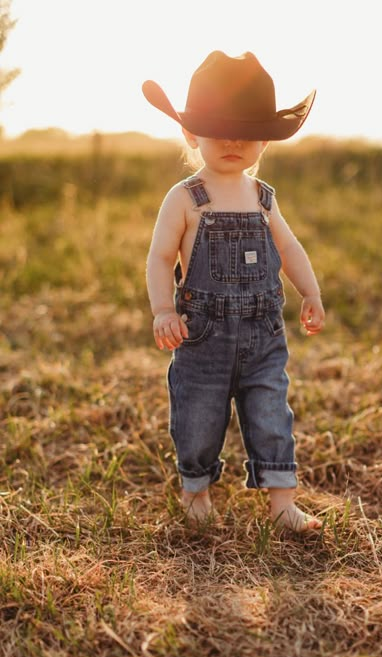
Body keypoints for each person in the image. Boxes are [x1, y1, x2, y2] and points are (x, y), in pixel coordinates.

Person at [143, 51, 325, 532]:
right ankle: (196, 492)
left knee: (271, 413)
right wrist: (164, 309)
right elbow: (161, 258)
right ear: (191, 133)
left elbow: (288, 247)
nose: (233, 140)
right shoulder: (185, 197)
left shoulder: (264, 196)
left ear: (265, 140)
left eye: (246, 130)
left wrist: (310, 292)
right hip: (201, 338)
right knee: (198, 417)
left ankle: (283, 503)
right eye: (218, 127)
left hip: (263, 336)